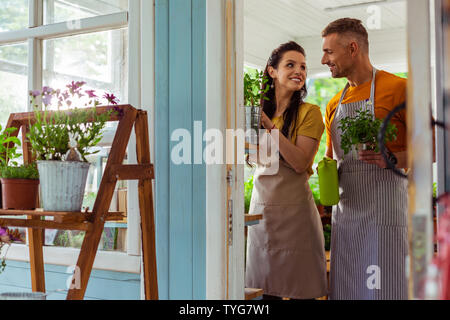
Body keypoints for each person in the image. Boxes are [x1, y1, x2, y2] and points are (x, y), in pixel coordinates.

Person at [321, 18, 408, 300]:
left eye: (329, 52)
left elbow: (431, 148)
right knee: (348, 289)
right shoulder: (334, 103)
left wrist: (390, 158)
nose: (324, 59)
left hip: (385, 211)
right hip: (346, 214)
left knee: (385, 288)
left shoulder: (399, 89)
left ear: (353, 48)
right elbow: (330, 158)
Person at [245, 41, 328, 300]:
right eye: (290, 65)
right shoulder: (253, 113)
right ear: (272, 71)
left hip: (297, 218)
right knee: (263, 293)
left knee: (301, 291)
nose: (299, 71)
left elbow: (301, 163)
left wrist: (270, 127)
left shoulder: (310, 113)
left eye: (303, 66)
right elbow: (245, 155)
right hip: (261, 215)